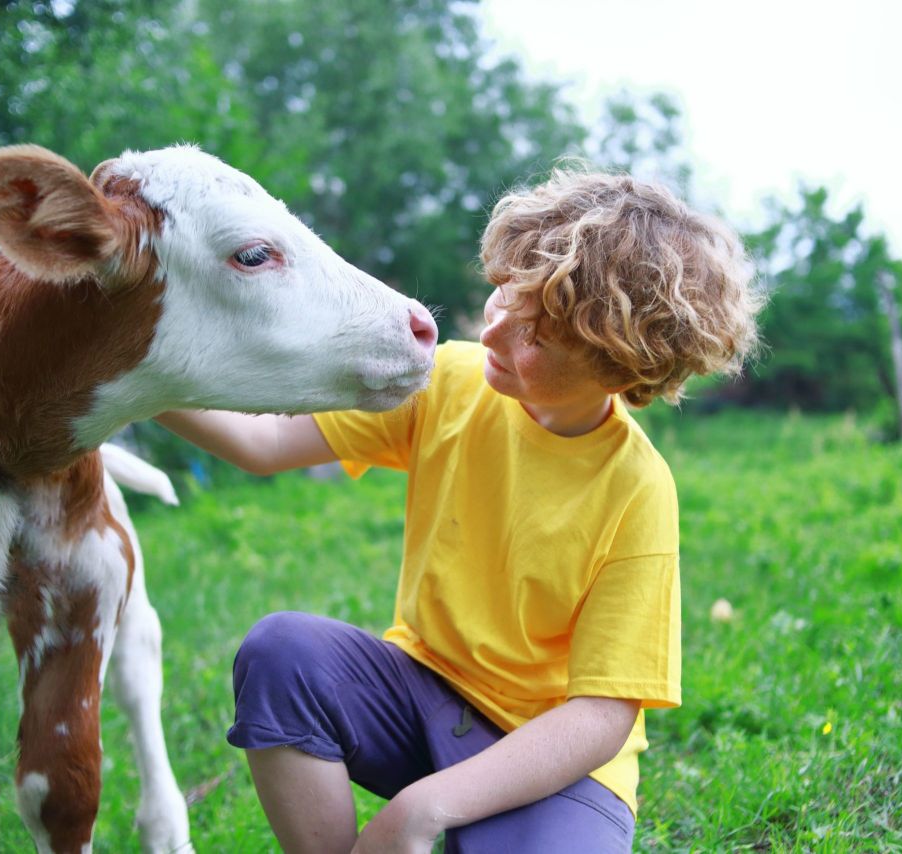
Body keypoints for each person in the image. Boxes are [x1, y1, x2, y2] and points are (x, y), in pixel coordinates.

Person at [157, 168, 762, 853]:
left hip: (557, 763)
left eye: (537, 337)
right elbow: (264, 442)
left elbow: (600, 716)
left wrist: (425, 806)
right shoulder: (449, 380)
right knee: (283, 652)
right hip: (421, 699)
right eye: (505, 296)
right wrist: (130, 369)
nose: (496, 333)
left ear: (622, 373)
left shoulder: (637, 491)